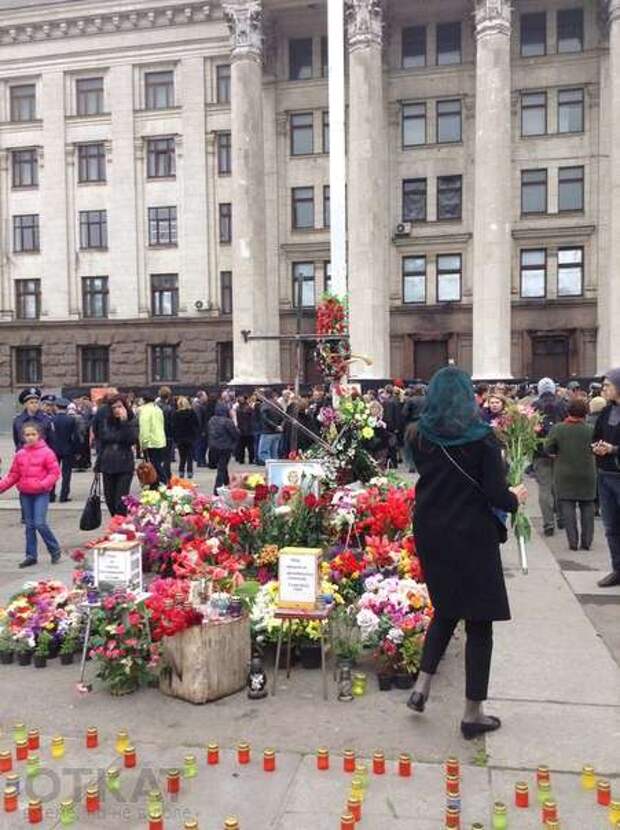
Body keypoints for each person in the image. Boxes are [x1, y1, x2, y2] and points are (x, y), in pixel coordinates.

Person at [405, 367, 527, 739]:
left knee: (445, 610)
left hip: (431, 533)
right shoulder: (483, 440)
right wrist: (516, 498)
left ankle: (421, 687)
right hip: (472, 537)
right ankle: (472, 713)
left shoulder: (418, 436)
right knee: (479, 623)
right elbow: (495, 494)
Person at [0, 421, 61, 568]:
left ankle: (54, 548)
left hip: (41, 493)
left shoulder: (47, 452)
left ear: (39, 435)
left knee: (40, 523)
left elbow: (54, 473)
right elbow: (13, 475)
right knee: (29, 526)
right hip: (25, 494)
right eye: (27, 435)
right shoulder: (20, 454)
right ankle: (31, 555)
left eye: (33, 434)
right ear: (23, 437)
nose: (30, 437)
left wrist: (43, 484)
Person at [545, 398, 596, 552]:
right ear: (586, 412)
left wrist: (555, 454)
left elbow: (548, 448)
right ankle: (586, 542)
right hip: (587, 472)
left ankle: (573, 542)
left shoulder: (558, 429)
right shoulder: (591, 429)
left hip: (564, 473)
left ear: (568, 411)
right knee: (587, 506)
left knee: (567, 506)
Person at [592, 369, 620, 587]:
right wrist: (597, 447)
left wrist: (613, 449)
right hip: (604, 474)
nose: (604, 389)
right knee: (610, 527)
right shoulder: (606, 410)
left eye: (608, 386)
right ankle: (617, 569)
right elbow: (596, 435)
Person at [532, 377, 567, 536]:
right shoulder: (562, 404)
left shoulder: (534, 406)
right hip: (560, 452)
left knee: (544, 488)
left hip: (540, 452)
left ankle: (548, 523)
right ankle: (561, 517)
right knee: (558, 486)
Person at [98, 395, 138, 516]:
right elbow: (103, 438)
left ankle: (121, 525)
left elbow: (131, 439)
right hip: (107, 463)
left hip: (124, 465)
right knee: (109, 499)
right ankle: (116, 522)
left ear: (125, 407)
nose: (117, 410)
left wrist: (124, 422)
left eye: (119, 406)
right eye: (114, 407)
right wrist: (98, 464)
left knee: (120, 501)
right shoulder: (106, 421)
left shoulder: (131, 421)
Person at [208, 402, 240, 494]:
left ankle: (227, 481)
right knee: (221, 468)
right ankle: (217, 489)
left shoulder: (212, 420)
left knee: (222, 465)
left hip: (213, 446)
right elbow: (236, 434)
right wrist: (235, 421)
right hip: (225, 447)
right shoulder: (228, 421)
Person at [52, 398, 78, 502]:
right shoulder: (71, 420)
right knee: (66, 474)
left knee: (53, 473)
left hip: (54, 450)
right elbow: (75, 436)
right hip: (68, 449)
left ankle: (51, 495)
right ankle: (64, 495)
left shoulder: (51, 419)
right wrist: (76, 451)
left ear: (56, 407)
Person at [138, 392, 168, 484]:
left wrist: (143, 443)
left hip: (151, 442)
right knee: (157, 463)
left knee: (153, 466)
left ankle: (162, 482)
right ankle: (158, 482)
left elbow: (144, 428)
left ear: (143, 400)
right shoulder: (158, 409)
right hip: (160, 440)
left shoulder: (145, 411)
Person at [172, 396, 200, 479]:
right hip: (190, 437)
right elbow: (196, 424)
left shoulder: (176, 414)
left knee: (182, 457)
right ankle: (190, 472)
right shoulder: (192, 412)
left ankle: (181, 472)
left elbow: (174, 427)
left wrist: (175, 438)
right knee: (190, 457)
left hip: (180, 438)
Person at [258, 389, 283, 464]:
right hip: (277, 432)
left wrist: (275, 426)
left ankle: (271, 467)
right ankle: (275, 468)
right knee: (274, 453)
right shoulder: (278, 404)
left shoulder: (264, 405)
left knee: (263, 453)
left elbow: (264, 419)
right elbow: (283, 417)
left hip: (267, 431)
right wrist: (280, 426)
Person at [235, 395, 255, 464]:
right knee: (248, 446)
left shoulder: (241, 408)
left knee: (242, 446)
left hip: (244, 429)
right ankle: (249, 460)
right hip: (247, 429)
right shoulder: (248, 408)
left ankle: (242, 459)